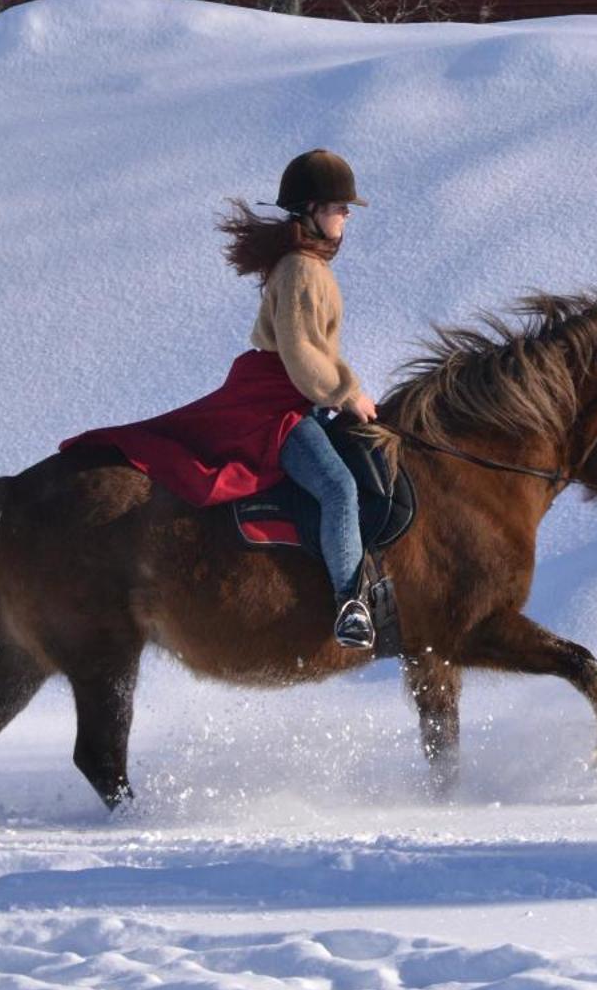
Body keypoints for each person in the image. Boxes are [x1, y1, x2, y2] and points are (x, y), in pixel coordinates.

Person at [60, 148, 379, 650]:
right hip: (279, 406)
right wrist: (349, 391)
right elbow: (300, 353)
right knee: (339, 488)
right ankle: (350, 604)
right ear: (313, 210)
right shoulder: (301, 269)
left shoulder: (305, 265)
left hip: (293, 397)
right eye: (340, 207)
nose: (346, 216)